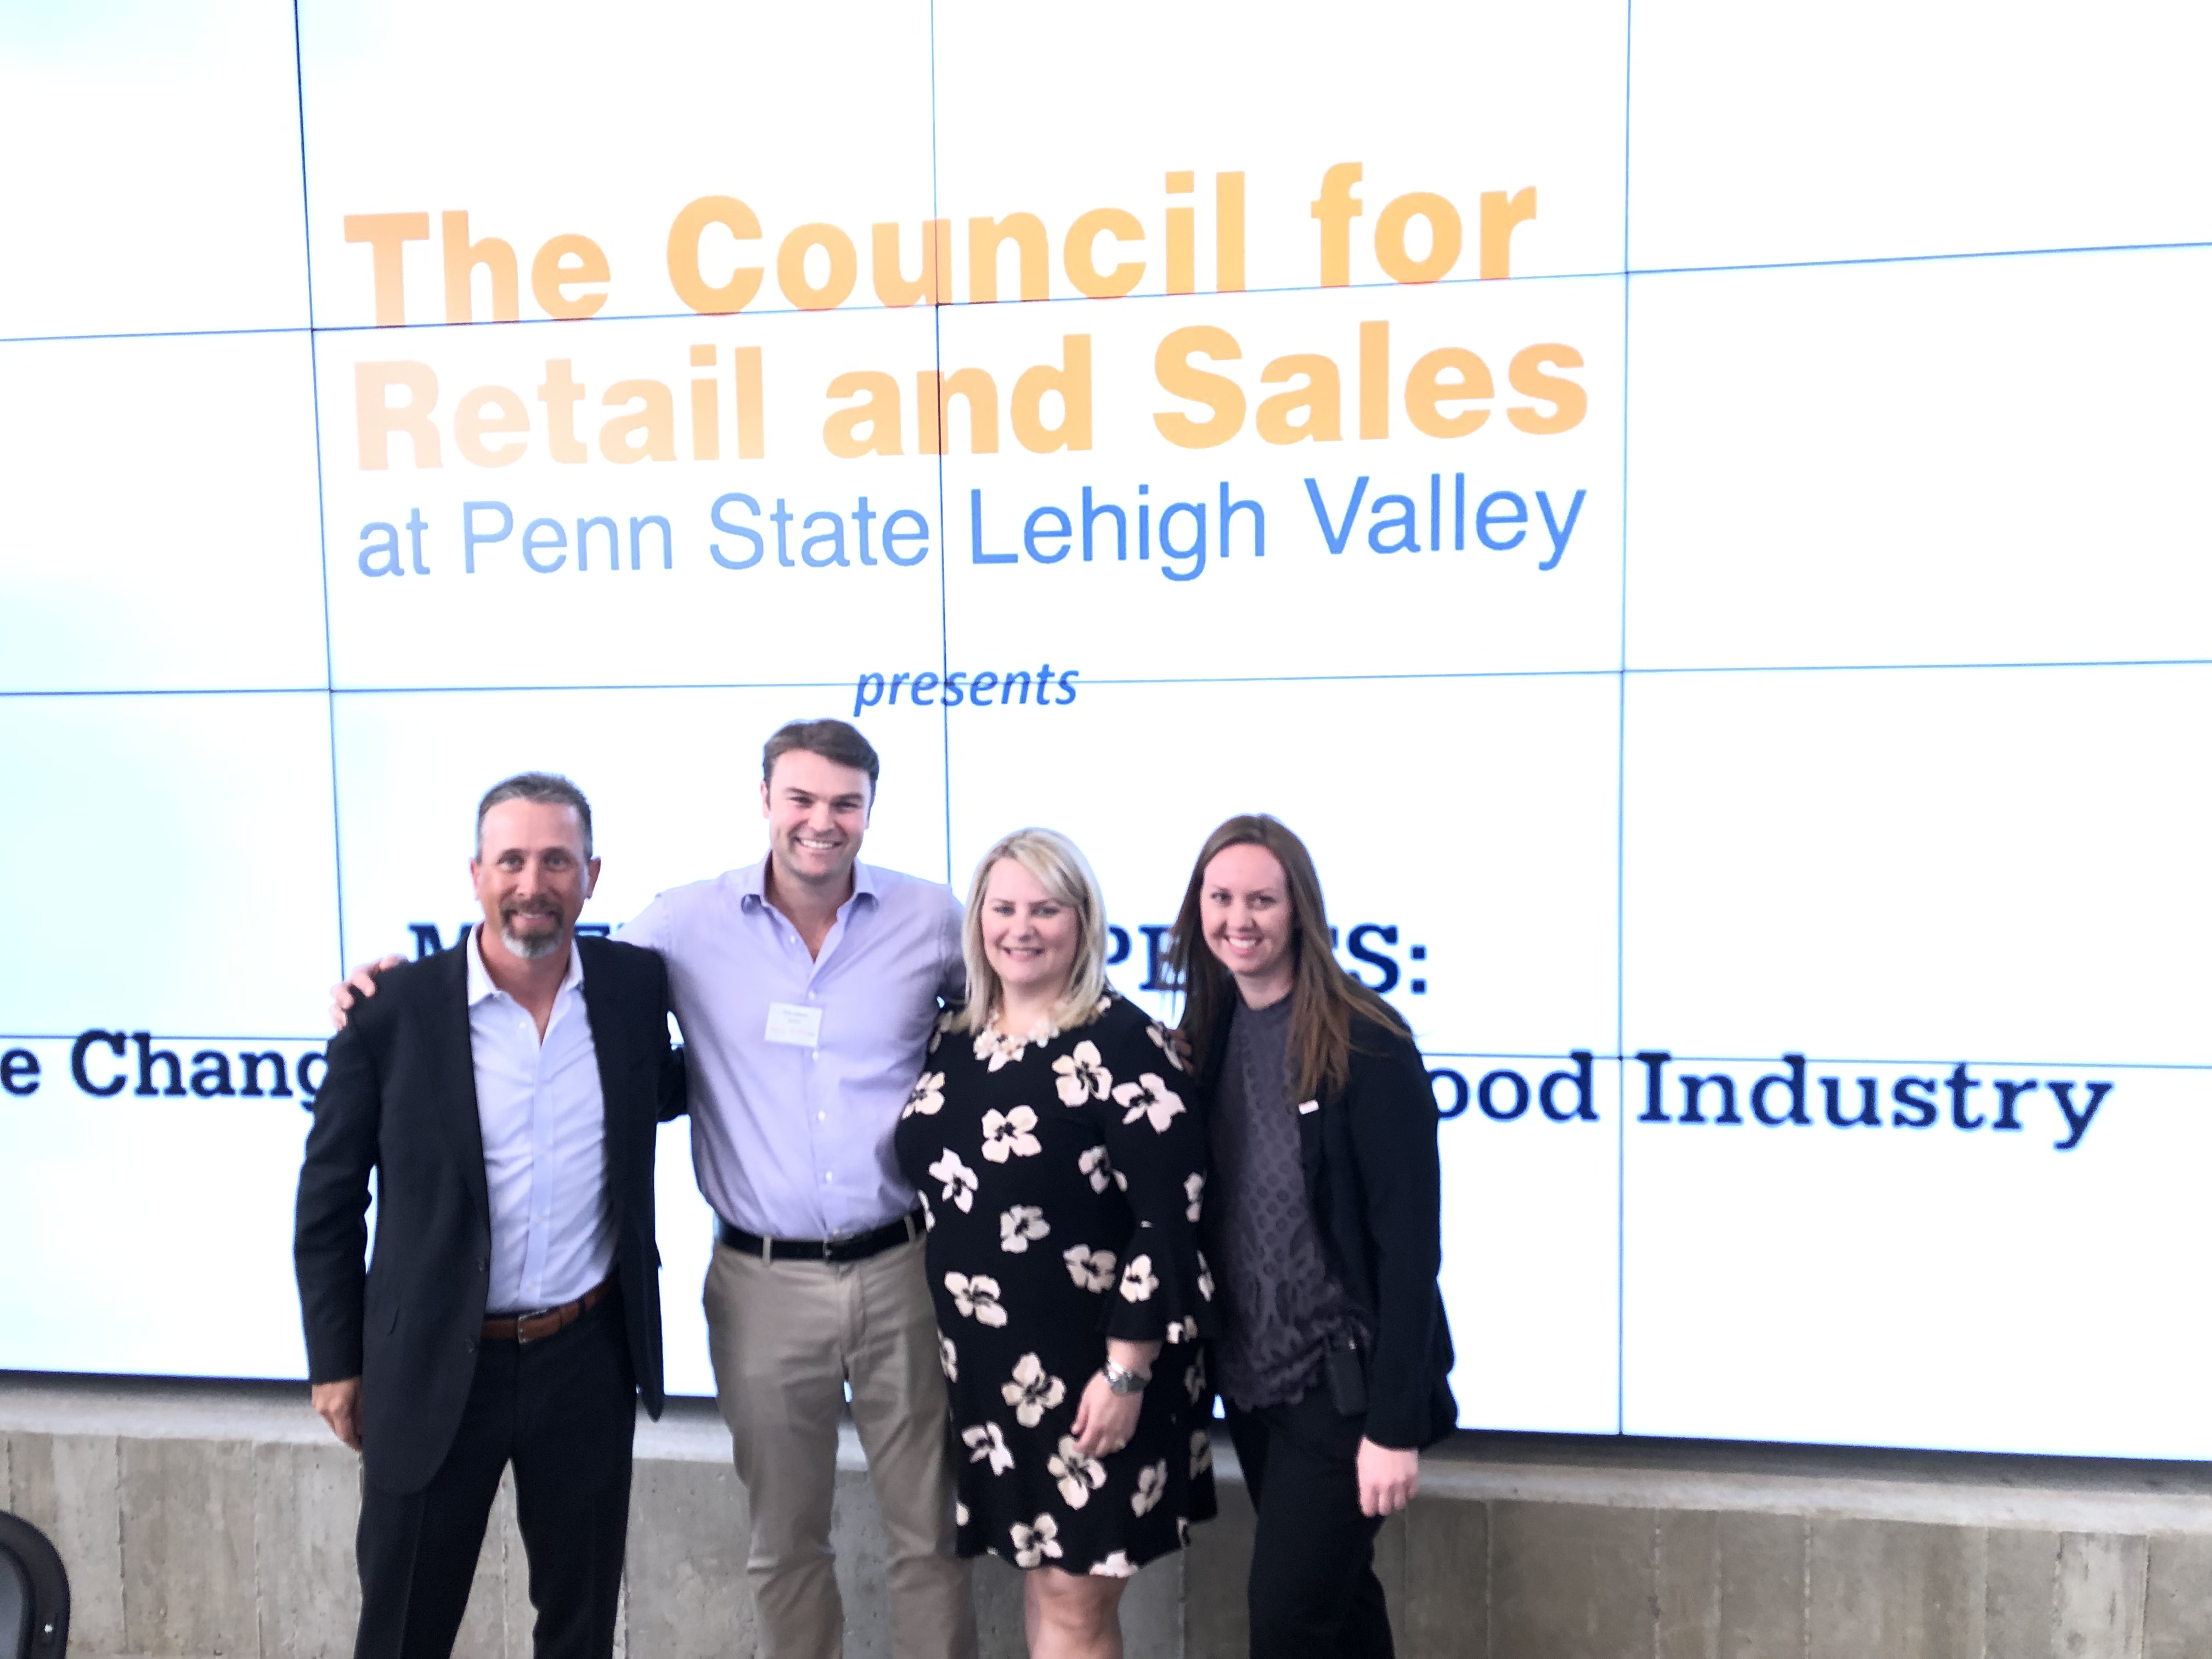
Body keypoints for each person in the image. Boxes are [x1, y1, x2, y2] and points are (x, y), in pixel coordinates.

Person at [334, 719, 975, 1659]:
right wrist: (379, 994)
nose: (821, 822)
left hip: (900, 1267)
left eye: (845, 803)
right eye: (800, 798)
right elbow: (552, 977)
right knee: (785, 1545)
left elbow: (1021, 1008)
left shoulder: (932, 918)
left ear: (871, 811)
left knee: (930, 1535)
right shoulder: (680, 927)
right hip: (756, 1285)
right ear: (766, 803)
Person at [295, 772, 686, 1659]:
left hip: (585, 1358)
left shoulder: (633, 991)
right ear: (476, 873)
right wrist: (335, 1360)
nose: (532, 881)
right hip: (433, 1364)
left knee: (581, 1627)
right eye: (511, 859)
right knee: (402, 1629)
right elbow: (327, 1205)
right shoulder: (390, 1014)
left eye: (556, 860)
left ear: (592, 874)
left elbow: (696, 1075)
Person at [894, 829, 1215, 1659]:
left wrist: (1126, 1372)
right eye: (1003, 907)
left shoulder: (1122, 1044)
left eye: (1046, 909)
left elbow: (1168, 1220)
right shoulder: (954, 1037)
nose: (1021, 927)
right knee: (1046, 1589)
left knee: (1076, 1607)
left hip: (1098, 1379)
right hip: (993, 1377)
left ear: (1083, 922)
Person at [1167, 814, 1457, 1659]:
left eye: (1262, 899)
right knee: (1341, 1611)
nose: (1239, 919)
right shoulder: (1212, 1028)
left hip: (1345, 1391)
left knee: (1288, 1624)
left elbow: (1411, 1252)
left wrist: (1394, 1427)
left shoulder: (1365, 1040)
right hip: (1256, 1387)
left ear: (1301, 910)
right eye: (1221, 898)